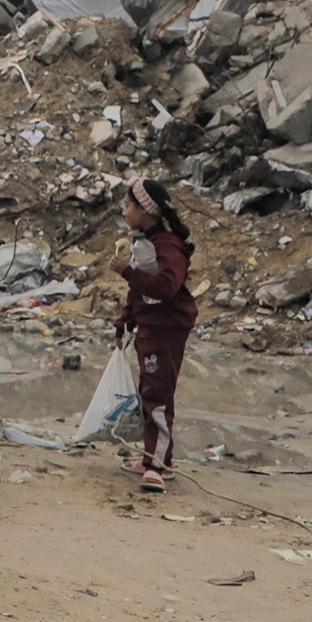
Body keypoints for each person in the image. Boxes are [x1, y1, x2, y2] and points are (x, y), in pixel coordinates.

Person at [109, 176, 198, 492]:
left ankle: (158, 467)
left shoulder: (168, 247)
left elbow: (166, 287)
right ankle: (152, 458)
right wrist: (125, 322)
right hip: (150, 328)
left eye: (128, 206)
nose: (125, 211)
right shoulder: (144, 244)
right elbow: (139, 291)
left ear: (145, 210)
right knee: (149, 392)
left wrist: (126, 272)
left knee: (158, 396)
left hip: (166, 330)